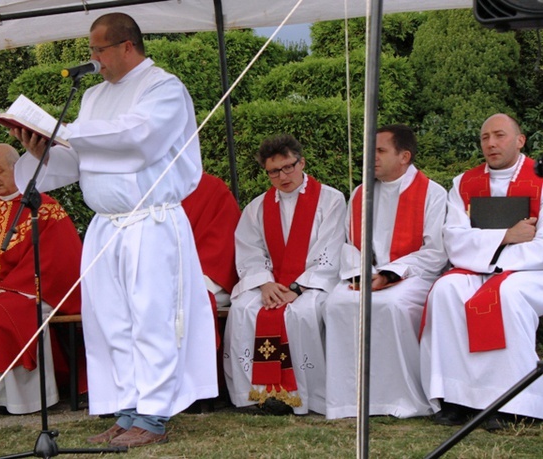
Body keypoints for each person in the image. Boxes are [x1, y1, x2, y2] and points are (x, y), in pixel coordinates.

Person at [10, 12, 216, 448]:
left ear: (127, 46)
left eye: (99, 50)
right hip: (107, 225)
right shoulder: (92, 98)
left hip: (150, 221)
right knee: (113, 321)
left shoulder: (164, 88)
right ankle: (127, 409)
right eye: (91, 51)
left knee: (152, 318)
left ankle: (155, 415)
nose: (94, 59)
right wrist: (42, 148)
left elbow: (138, 138)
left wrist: (64, 132)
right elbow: (78, 161)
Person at [420, 113, 543, 430]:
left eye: (499, 135)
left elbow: (540, 242)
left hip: (530, 271)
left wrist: (497, 257)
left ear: (520, 140)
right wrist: (505, 236)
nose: (491, 143)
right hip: (480, 265)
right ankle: (456, 398)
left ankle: (517, 403)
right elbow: (455, 237)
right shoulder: (465, 182)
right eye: (485, 137)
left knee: (506, 293)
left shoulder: (540, 178)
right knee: (445, 291)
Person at [324, 124, 448, 419]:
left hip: (414, 274)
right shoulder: (360, 192)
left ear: (404, 156)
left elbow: (435, 251)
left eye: (380, 151)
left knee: (391, 305)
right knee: (337, 303)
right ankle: (347, 401)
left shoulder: (432, 193)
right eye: (371, 150)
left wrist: (391, 274)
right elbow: (350, 242)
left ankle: (401, 398)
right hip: (366, 273)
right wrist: (364, 274)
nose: (372, 157)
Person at [223, 133, 346, 416]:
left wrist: (298, 288)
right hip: (271, 284)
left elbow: (330, 247)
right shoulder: (257, 207)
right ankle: (257, 395)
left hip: (312, 283)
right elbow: (250, 251)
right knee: (243, 310)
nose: (282, 176)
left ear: (301, 162)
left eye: (288, 167)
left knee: (301, 314)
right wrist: (265, 284)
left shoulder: (330, 200)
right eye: (274, 171)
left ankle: (302, 395)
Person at [0, 143, 82, 415]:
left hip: (33, 290)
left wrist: (2, 290)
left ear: (18, 168)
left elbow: (57, 261)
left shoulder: (44, 207)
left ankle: (20, 400)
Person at [182, 171, 240, 346]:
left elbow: (221, 245)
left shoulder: (212, 188)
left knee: (190, 302)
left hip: (206, 276)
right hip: (161, 277)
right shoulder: (149, 187)